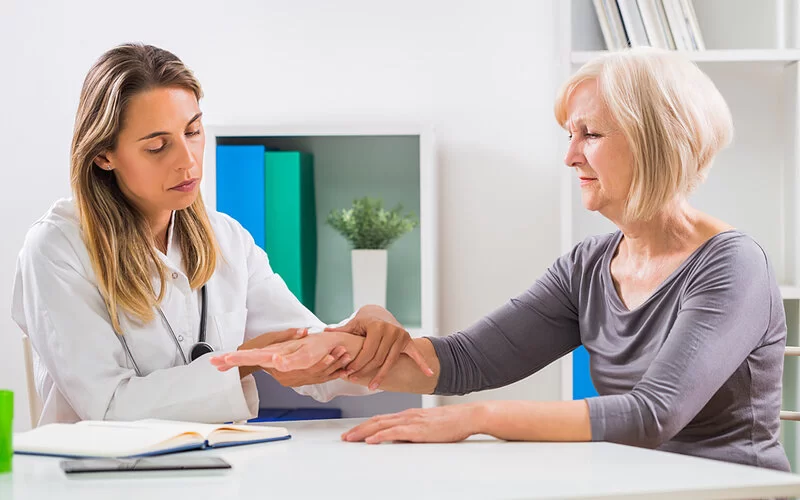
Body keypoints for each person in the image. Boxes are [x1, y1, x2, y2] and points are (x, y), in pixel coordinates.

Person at [213, 47, 791, 471]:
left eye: (589, 133)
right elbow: (467, 361)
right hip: (635, 482)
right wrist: (344, 348)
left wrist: (477, 419)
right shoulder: (589, 266)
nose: (569, 156)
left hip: (727, 487)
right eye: (569, 134)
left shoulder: (731, 265)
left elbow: (652, 415)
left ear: (655, 138)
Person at [11, 43, 431, 426]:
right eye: (157, 146)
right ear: (104, 154)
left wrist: (361, 334)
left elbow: (304, 345)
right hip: (100, 479)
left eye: (193, 132)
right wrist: (248, 362)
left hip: (220, 468)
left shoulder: (226, 238)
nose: (188, 161)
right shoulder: (57, 248)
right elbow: (107, 408)